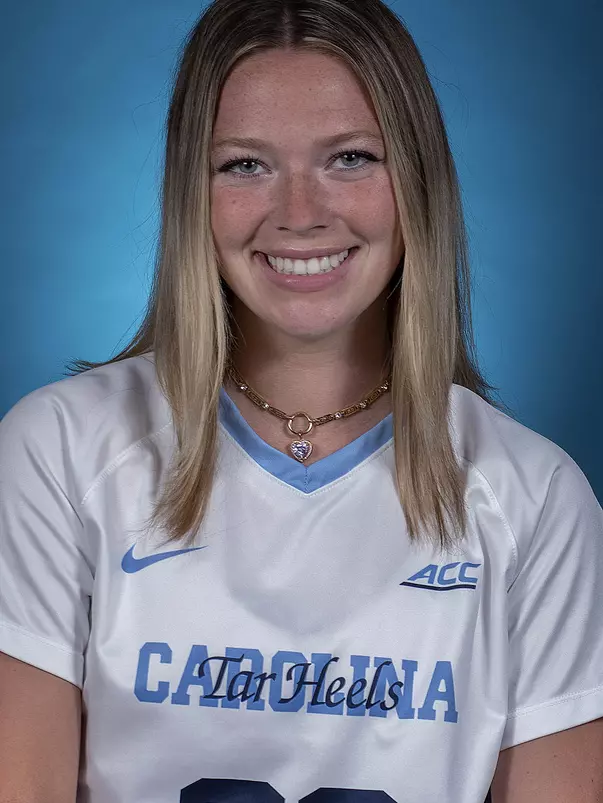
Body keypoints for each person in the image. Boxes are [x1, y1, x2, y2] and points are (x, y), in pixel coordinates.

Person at [1, 0, 602, 800]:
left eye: (349, 157)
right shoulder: (60, 448)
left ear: (416, 179)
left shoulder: (536, 497)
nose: (299, 215)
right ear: (192, 192)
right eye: (244, 164)